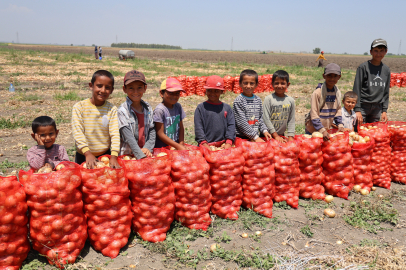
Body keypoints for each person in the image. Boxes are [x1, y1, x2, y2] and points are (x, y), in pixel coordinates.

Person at [72, 70, 120, 169]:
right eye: (99, 86)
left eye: (107, 88)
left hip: (105, 156)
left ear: (112, 90)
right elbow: (78, 133)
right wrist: (87, 154)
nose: (103, 90)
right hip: (84, 155)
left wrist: (114, 156)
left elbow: (115, 134)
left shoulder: (112, 109)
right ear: (91, 86)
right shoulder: (79, 107)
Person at [117, 70, 155, 159]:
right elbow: (129, 137)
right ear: (124, 89)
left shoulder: (148, 108)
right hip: (128, 156)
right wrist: (140, 155)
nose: (135, 92)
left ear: (145, 88)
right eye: (131, 88)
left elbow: (152, 130)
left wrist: (147, 148)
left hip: (146, 153)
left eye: (139, 87)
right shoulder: (122, 111)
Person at [353, 38, 390, 124]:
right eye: (376, 51)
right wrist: (357, 109)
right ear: (371, 52)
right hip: (363, 106)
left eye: (381, 51)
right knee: (360, 131)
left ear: (386, 52)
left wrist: (384, 110)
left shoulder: (386, 70)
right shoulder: (363, 67)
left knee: (374, 131)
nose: (378, 54)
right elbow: (357, 89)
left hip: (377, 107)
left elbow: (386, 92)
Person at [305, 63, 345, 141]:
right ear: (324, 76)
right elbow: (314, 114)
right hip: (314, 130)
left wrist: (340, 125)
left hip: (325, 130)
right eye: (329, 75)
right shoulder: (318, 93)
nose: (332, 78)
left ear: (339, 77)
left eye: (335, 76)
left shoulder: (337, 93)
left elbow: (338, 111)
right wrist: (322, 130)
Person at [194, 75, 235, 149]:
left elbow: (231, 126)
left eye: (216, 91)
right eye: (209, 90)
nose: (212, 93)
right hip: (206, 146)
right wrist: (204, 143)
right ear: (205, 91)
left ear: (222, 91)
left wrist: (228, 142)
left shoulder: (227, 108)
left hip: (223, 146)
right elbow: (198, 128)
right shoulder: (201, 108)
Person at [233, 69, 271, 142]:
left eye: (251, 83)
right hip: (242, 137)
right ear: (240, 84)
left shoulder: (258, 100)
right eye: (245, 83)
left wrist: (264, 131)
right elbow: (241, 123)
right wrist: (255, 137)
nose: (248, 86)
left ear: (256, 85)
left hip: (254, 137)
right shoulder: (239, 101)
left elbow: (260, 119)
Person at [153, 78, 187, 150]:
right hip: (162, 148)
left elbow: (181, 127)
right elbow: (160, 134)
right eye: (170, 93)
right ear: (161, 93)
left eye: (177, 93)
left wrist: (181, 143)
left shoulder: (178, 107)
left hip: (175, 147)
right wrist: (177, 146)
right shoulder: (160, 110)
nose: (174, 96)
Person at [263, 70, 295, 143]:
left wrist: (290, 136)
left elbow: (291, 120)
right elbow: (265, 118)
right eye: (276, 83)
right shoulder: (268, 99)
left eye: (283, 83)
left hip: (281, 135)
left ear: (288, 84)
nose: (279, 86)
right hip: (268, 135)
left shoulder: (290, 100)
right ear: (272, 84)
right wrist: (275, 135)